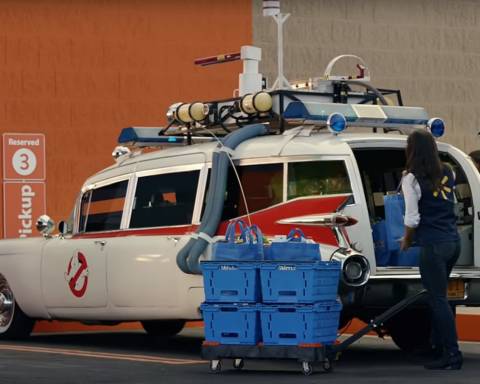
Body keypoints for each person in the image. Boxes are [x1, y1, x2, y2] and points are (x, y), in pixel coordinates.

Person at [400, 129, 462, 370]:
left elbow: (412, 218)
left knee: (437, 299)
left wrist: (406, 240)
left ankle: (452, 354)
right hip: (452, 242)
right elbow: (451, 204)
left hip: (433, 245)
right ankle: (438, 347)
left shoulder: (411, 178)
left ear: (412, 150)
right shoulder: (448, 171)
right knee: (442, 298)